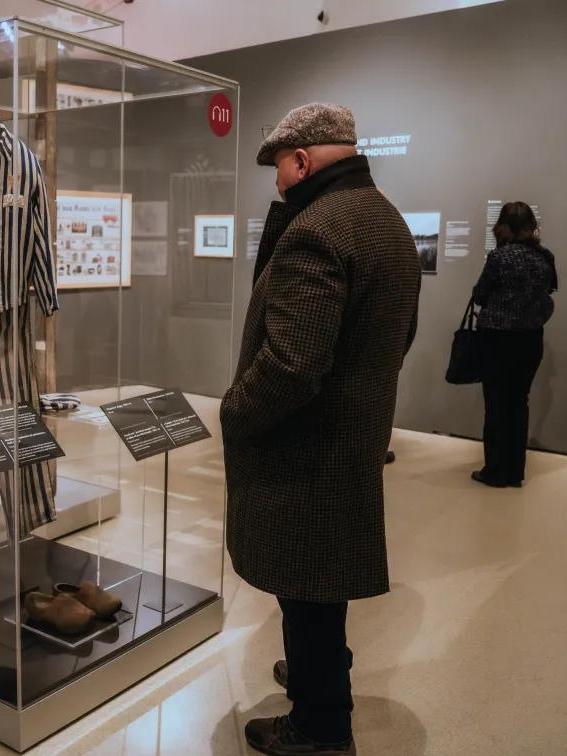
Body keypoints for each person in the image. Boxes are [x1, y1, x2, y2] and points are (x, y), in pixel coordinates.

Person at [221, 103, 421, 756]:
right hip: (349, 435)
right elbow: (400, 336)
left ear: (302, 160)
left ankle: (320, 726)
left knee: (305, 581)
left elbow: (291, 362)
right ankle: (316, 672)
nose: (276, 182)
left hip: (307, 446)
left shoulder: (318, 227)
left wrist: (235, 412)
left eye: (278, 167)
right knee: (320, 579)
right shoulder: (385, 219)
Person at [470, 201, 557, 488]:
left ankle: (495, 471)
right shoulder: (545, 256)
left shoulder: (499, 257)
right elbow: (550, 293)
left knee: (496, 405)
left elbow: (480, 295)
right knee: (519, 403)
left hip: (497, 339)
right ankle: (515, 471)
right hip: (531, 339)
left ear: (503, 225)